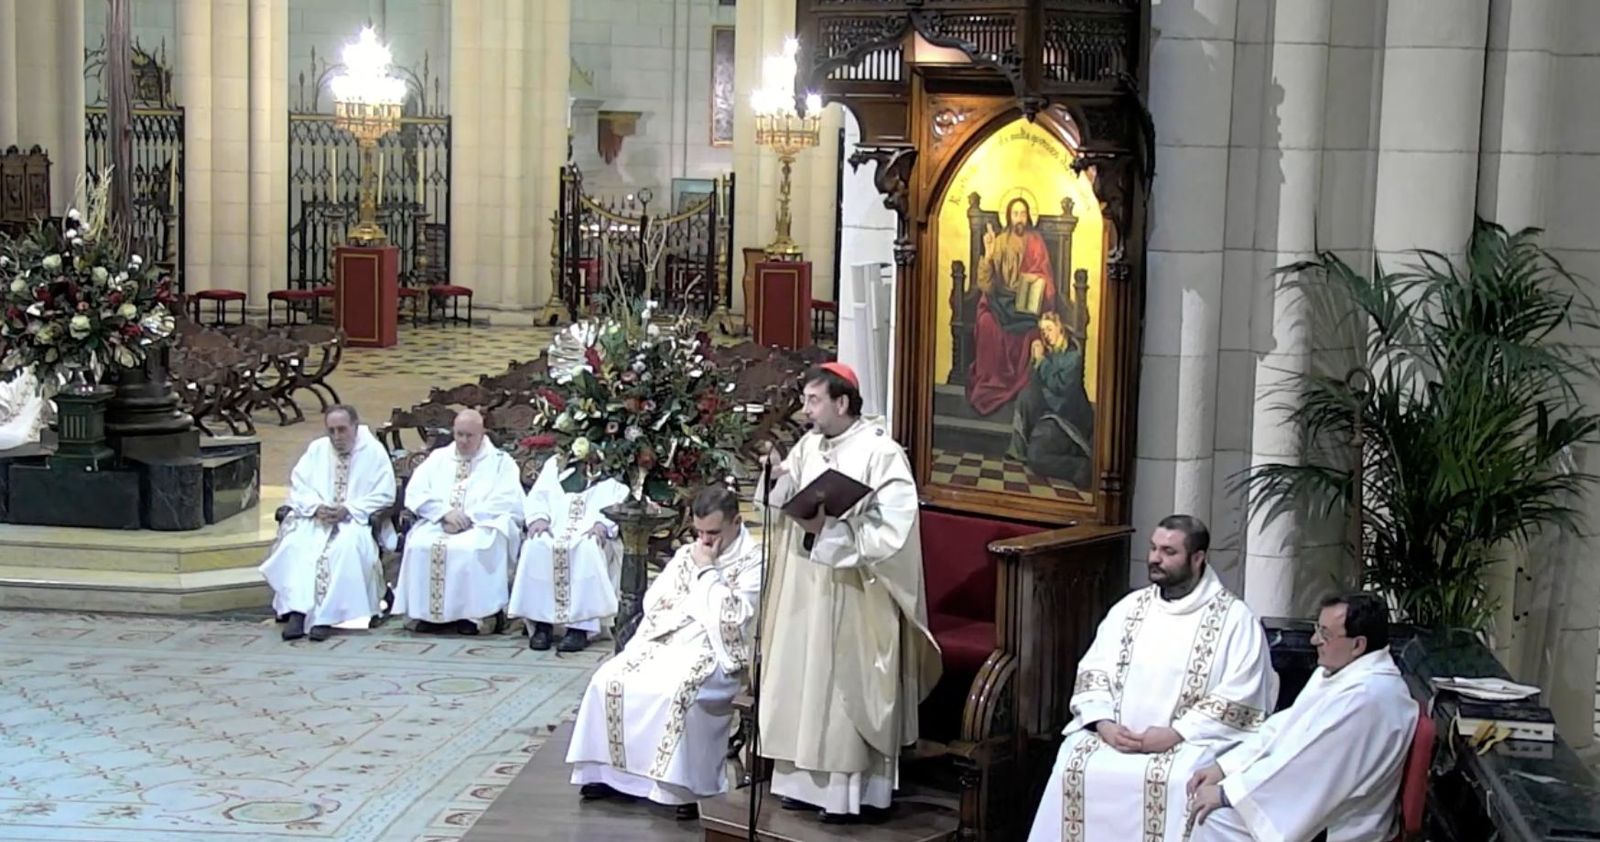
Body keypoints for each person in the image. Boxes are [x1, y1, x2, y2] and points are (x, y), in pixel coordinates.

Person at [756, 361, 941, 823]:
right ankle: (799, 782)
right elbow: (784, 501)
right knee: (802, 677)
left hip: (856, 592)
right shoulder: (809, 444)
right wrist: (777, 478)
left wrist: (833, 533)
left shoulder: (881, 453)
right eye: (805, 400)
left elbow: (896, 528)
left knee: (840, 687)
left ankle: (845, 793)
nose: (806, 410)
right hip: (807, 587)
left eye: (814, 401)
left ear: (842, 402)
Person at [1026, 515, 1278, 842]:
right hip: (1115, 738)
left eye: (1168, 551)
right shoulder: (1129, 609)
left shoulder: (1235, 620)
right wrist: (1104, 724)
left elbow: (1241, 696)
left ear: (1198, 558)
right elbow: (1094, 671)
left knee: (1180, 781)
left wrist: (1175, 733)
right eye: (1153, 548)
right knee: (1073, 763)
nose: (1155, 558)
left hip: (1188, 744)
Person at [566, 484, 764, 820]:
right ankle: (609, 776)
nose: (705, 541)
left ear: (735, 522)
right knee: (608, 678)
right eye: (699, 532)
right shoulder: (689, 553)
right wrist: (697, 603)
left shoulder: (754, 561)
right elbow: (656, 602)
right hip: (669, 638)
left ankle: (677, 788)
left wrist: (706, 575)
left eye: (713, 532)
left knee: (676, 692)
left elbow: (735, 620)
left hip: (714, 652)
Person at [1186, 592, 1418, 842]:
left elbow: (1307, 768)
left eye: (1325, 634)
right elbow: (1283, 728)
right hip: (1313, 801)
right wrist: (1224, 767)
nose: (1314, 639)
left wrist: (1226, 794)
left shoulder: (1366, 699)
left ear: (1358, 645)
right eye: (1317, 628)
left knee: (1212, 818)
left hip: (1340, 826)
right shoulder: (1340, 672)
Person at [260, 405, 396, 642]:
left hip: (354, 522)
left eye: (342, 430)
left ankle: (327, 617)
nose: (337, 437)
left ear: (354, 426)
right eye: (331, 430)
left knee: (344, 550)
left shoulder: (373, 452)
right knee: (296, 546)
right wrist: (315, 507)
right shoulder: (317, 449)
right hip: (316, 520)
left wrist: (348, 509)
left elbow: (385, 495)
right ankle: (298, 612)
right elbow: (299, 486)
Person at [393, 409, 524, 634]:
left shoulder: (501, 462)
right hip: (439, 521)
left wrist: (467, 518)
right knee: (419, 545)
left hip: (483, 524)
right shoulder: (438, 458)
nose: (463, 441)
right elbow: (416, 491)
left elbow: (507, 499)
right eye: (459, 434)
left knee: (471, 549)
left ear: (482, 434)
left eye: (469, 436)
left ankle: (473, 617)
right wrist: (443, 513)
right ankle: (427, 616)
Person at [507, 453, 630, 651]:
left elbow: (621, 498)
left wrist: (603, 524)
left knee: (588, 549)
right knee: (535, 544)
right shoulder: (557, 462)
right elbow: (539, 495)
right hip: (555, 527)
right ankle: (542, 624)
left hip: (591, 532)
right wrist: (539, 517)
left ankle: (580, 628)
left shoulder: (614, 465)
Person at [967, 196, 1059, 416]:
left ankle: (1020, 386)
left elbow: (1045, 276)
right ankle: (992, 381)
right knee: (987, 323)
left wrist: (1035, 284)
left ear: (1028, 217)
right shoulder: (999, 242)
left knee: (1031, 332)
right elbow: (986, 285)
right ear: (1008, 216)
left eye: (1023, 214)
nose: (1019, 218)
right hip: (1000, 301)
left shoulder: (1036, 242)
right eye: (1015, 213)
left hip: (1025, 305)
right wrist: (988, 255)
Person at [1006, 310, 1093, 486]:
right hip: (1050, 415)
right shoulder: (1049, 352)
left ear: (1060, 328)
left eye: (1049, 329)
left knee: (1037, 457)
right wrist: (1035, 359)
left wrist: (1041, 362)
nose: (1045, 334)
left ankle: (1079, 467)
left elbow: (1059, 387)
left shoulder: (1073, 356)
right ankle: (1019, 452)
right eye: (1043, 330)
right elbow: (1034, 385)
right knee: (1025, 396)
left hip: (1068, 421)